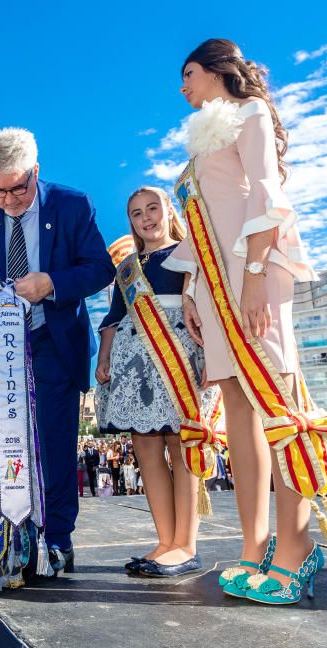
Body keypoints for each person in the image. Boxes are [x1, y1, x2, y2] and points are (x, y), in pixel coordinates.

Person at [163, 38, 327, 604]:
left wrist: (257, 273)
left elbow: (268, 194)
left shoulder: (250, 113)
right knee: (238, 406)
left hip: (253, 270)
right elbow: (199, 226)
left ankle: (296, 547)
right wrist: (191, 288)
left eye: (188, 73)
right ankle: (254, 544)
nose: (181, 85)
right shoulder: (200, 141)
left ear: (216, 70)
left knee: (278, 399)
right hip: (213, 283)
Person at [0, 126, 115, 573]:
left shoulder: (72, 204)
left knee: (55, 443)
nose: (7, 201)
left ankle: (58, 539)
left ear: (36, 172)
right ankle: (6, 541)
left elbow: (100, 268)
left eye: (17, 189)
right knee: (0, 446)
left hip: (52, 341)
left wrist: (52, 283)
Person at [95, 186, 219, 575]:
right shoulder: (127, 268)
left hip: (179, 354)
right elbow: (113, 318)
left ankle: (186, 545)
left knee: (182, 447)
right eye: (136, 213)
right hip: (135, 364)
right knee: (146, 450)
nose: (146, 217)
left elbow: (210, 308)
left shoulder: (191, 253)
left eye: (153, 208)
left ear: (169, 211)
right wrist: (103, 358)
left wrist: (211, 358)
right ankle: (165, 540)